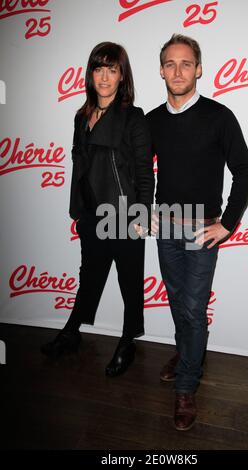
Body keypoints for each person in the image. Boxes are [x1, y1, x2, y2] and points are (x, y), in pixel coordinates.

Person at [147, 34, 248, 431]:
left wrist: (227, 224)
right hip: (166, 227)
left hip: (201, 230)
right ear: (161, 70)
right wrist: (143, 210)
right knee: (178, 302)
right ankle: (189, 353)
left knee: (193, 308)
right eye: (171, 64)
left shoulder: (219, 116)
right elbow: (138, 172)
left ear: (199, 69)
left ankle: (187, 386)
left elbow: (245, 172)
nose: (178, 71)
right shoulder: (152, 120)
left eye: (186, 63)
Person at [41, 42, 154, 377]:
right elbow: (80, 168)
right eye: (99, 68)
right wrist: (78, 212)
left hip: (124, 217)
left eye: (112, 69)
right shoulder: (81, 117)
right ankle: (72, 331)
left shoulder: (133, 117)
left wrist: (142, 215)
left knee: (129, 282)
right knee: (88, 278)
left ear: (122, 76)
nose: (105, 76)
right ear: (90, 73)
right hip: (92, 216)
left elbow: (145, 173)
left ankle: (127, 341)